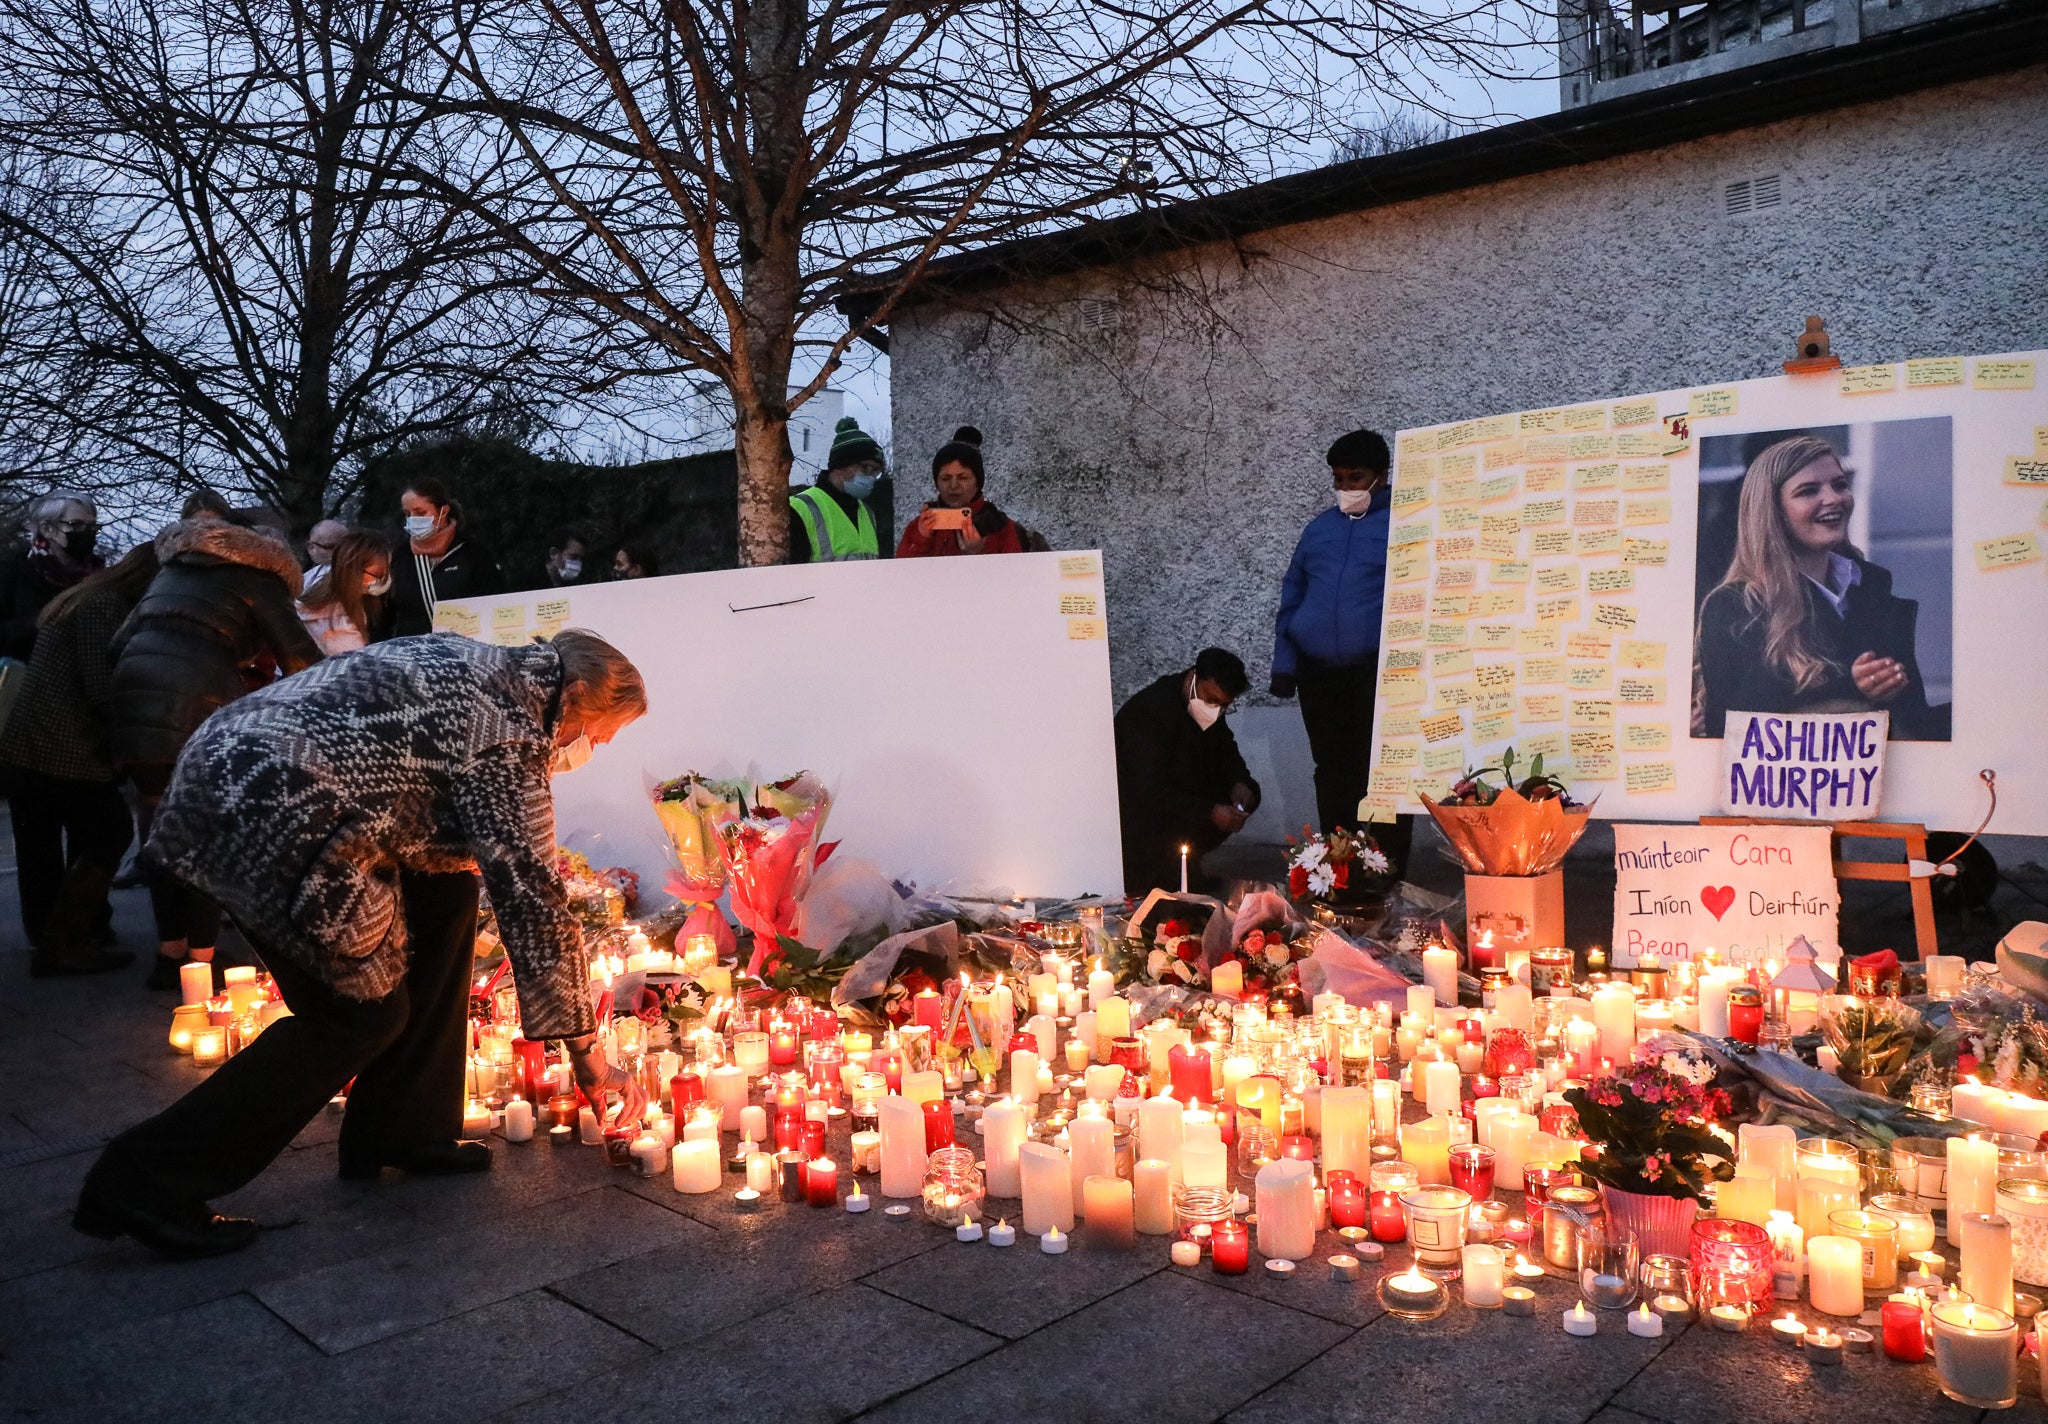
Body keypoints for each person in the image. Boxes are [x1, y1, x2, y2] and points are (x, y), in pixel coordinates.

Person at [76, 630, 650, 1258]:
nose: (591, 749)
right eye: (598, 733)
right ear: (574, 695)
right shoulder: (509, 730)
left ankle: (403, 1129)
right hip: (270, 806)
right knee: (355, 1016)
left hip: (241, 764)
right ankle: (143, 1181)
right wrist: (589, 1057)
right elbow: (533, 900)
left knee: (446, 894)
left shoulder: (487, 665)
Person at [109, 514, 324, 990]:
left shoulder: (173, 572)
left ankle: (170, 958)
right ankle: (202, 960)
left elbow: (119, 641)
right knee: (207, 834)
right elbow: (301, 659)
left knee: (160, 833)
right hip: (198, 705)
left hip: (131, 702)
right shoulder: (260, 577)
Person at [1693, 434, 1944, 740]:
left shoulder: (1873, 591)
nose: (1834, 498)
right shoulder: (1735, 606)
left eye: (1839, 485)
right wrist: (1850, 689)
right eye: (1809, 491)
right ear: (1772, 511)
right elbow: (1738, 731)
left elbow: (1913, 724)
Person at [0, 544, 160, 976]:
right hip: (62, 744)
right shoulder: (102, 608)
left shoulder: (86, 596)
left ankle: (55, 937)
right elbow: (100, 685)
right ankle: (62, 942)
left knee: (39, 847)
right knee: (108, 829)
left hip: (32, 743)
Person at [1268, 429, 1413, 880]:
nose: (1347, 487)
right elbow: (1292, 596)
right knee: (1332, 772)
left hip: (1377, 675)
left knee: (1381, 777)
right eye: (1339, 479)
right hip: (1318, 676)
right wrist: (1284, 665)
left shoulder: (1405, 525)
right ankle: (1338, 869)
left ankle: (1383, 873)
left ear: (1381, 475)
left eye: (1357, 477)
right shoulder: (1320, 529)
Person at [1114, 648, 1262, 897]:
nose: (1214, 709)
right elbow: (1148, 790)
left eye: (1224, 706)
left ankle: (1183, 865)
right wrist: (1210, 811)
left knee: (1245, 797)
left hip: (1183, 797)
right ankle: (1164, 871)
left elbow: (1226, 751)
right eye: (1211, 700)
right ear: (1194, 677)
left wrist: (1242, 783)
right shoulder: (1149, 713)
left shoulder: (1208, 711)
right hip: (1141, 813)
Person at [387, 478, 504, 636]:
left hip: (466, 646)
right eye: (407, 514)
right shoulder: (401, 555)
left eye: (420, 513)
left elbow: (494, 600)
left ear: (444, 512)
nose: (412, 519)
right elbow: (388, 612)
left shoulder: (472, 551)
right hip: (413, 651)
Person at [0, 494, 103, 661]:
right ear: (48, 529)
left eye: (92, 527)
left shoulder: (99, 580)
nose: (87, 533)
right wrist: (39, 622)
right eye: (76, 525)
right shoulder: (11, 571)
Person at [895, 427, 1024, 558]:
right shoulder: (920, 527)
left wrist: (979, 553)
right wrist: (921, 540)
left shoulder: (998, 526)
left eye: (963, 478)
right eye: (945, 478)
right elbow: (900, 574)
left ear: (978, 482)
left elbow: (1015, 574)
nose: (953, 485)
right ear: (936, 483)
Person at [789, 417, 884, 562]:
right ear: (840, 466)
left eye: (875, 471)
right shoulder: (801, 508)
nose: (870, 476)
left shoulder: (867, 513)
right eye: (865, 467)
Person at [297, 530, 392, 654]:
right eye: (377, 574)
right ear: (354, 572)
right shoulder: (341, 633)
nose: (385, 577)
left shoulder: (319, 578)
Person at [301, 518, 350, 591]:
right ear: (311, 548)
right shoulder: (307, 576)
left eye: (345, 546)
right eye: (331, 547)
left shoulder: (354, 576)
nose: (340, 552)